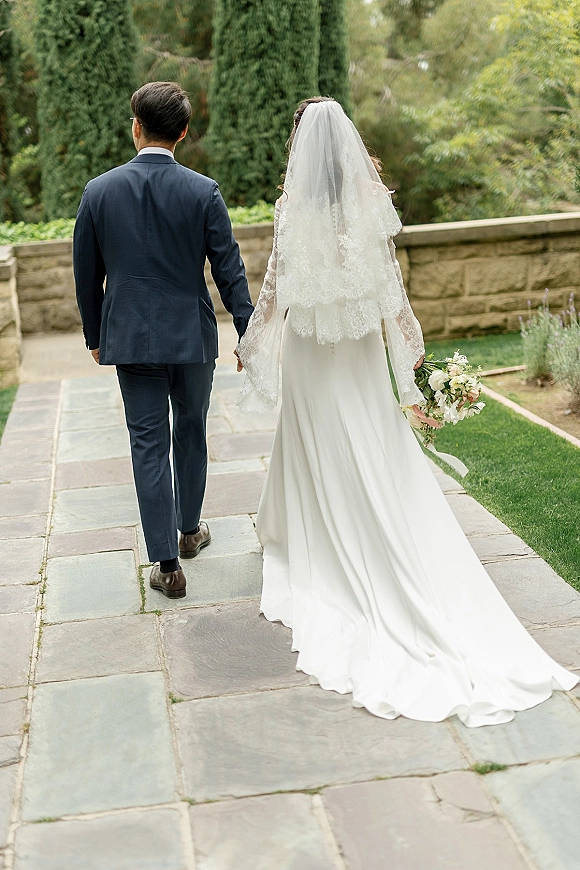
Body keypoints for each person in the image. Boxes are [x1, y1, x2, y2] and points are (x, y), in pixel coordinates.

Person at [236, 97, 577, 727]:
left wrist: (252, 343)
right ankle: (313, 527)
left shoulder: (291, 210)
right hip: (360, 345)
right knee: (365, 438)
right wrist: (409, 362)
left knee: (317, 439)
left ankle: (315, 538)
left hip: (313, 348)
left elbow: (278, 287)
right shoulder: (369, 206)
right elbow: (391, 292)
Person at [73, 81, 254, 599]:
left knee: (147, 443)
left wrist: (95, 333)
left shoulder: (98, 192)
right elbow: (230, 272)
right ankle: (190, 530)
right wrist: (248, 334)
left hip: (129, 337)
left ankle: (167, 564)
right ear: (183, 132)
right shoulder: (203, 191)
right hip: (192, 338)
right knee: (191, 430)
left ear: (136, 127)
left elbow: (86, 274)